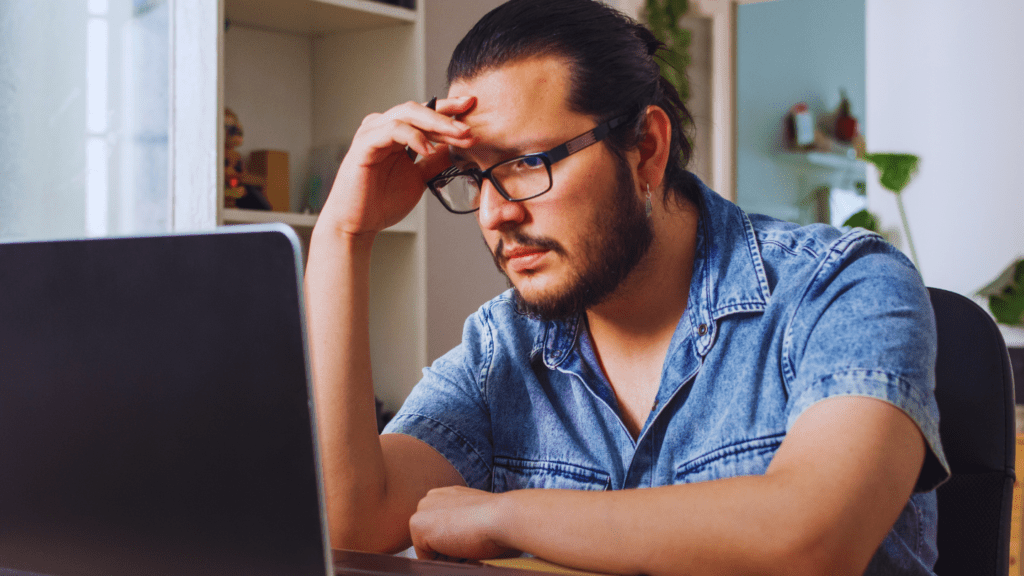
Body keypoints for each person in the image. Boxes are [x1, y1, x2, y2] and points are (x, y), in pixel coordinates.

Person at [304, 1, 948, 574]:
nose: (495, 212)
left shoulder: (843, 286)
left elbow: (814, 539)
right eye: (475, 176)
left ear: (646, 148)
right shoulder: (501, 347)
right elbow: (355, 521)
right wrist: (343, 233)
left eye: (527, 164)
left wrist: (504, 516)